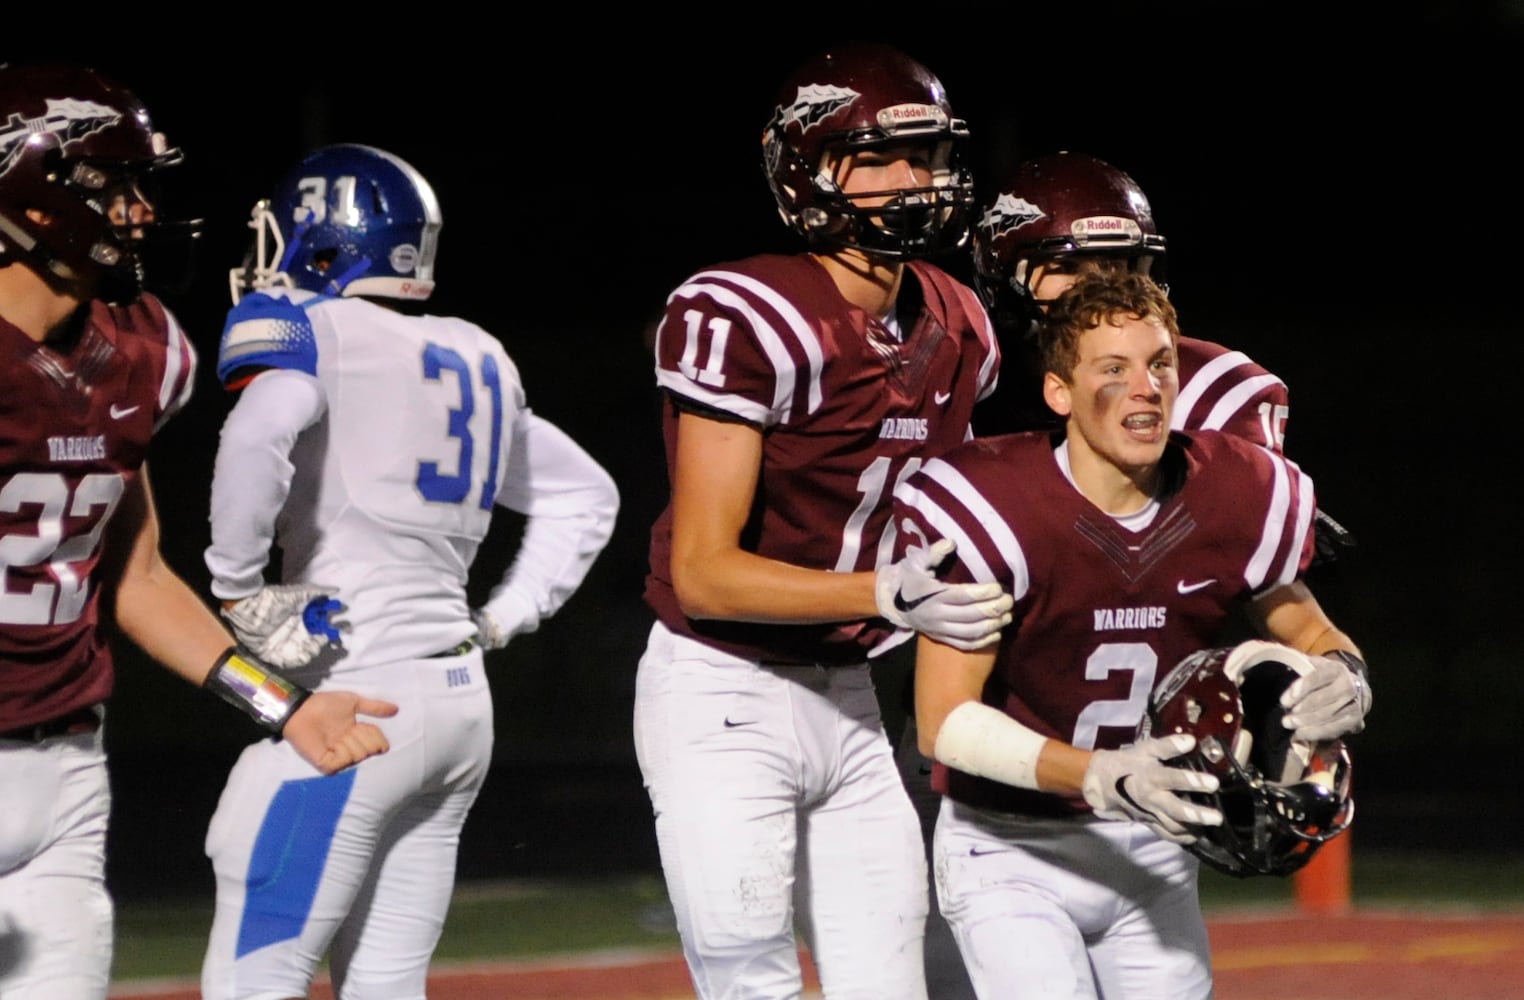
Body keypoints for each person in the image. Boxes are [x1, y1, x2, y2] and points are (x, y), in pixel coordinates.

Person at [897, 149, 1353, 997]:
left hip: (1147, 822)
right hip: (1005, 795)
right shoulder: (963, 390)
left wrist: (1344, 677)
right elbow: (945, 715)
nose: (1100, 286)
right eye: (1077, 267)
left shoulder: (1216, 423)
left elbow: (1273, 595)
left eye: (1126, 266)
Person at [0, 65, 397, 1000]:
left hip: (64, 767)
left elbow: (135, 579)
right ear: (37, 195)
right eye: (118, 187)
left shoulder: (140, 349)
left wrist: (286, 708)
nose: (141, 213)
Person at [632, 41, 1013, 1000]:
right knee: (751, 980)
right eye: (880, 158)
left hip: (852, 697)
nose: (913, 180)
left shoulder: (960, 318)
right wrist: (884, 592)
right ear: (808, 168)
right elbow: (706, 572)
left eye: (925, 156)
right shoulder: (747, 310)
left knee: (889, 986)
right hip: (723, 691)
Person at [199, 143, 619, 999]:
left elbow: (257, 432)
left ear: (326, 239)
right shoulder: (476, 353)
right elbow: (589, 494)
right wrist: (503, 617)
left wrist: (235, 583)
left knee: (253, 980)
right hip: (458, 705)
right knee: (388, 986)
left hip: (357, 700)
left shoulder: (315, 329)